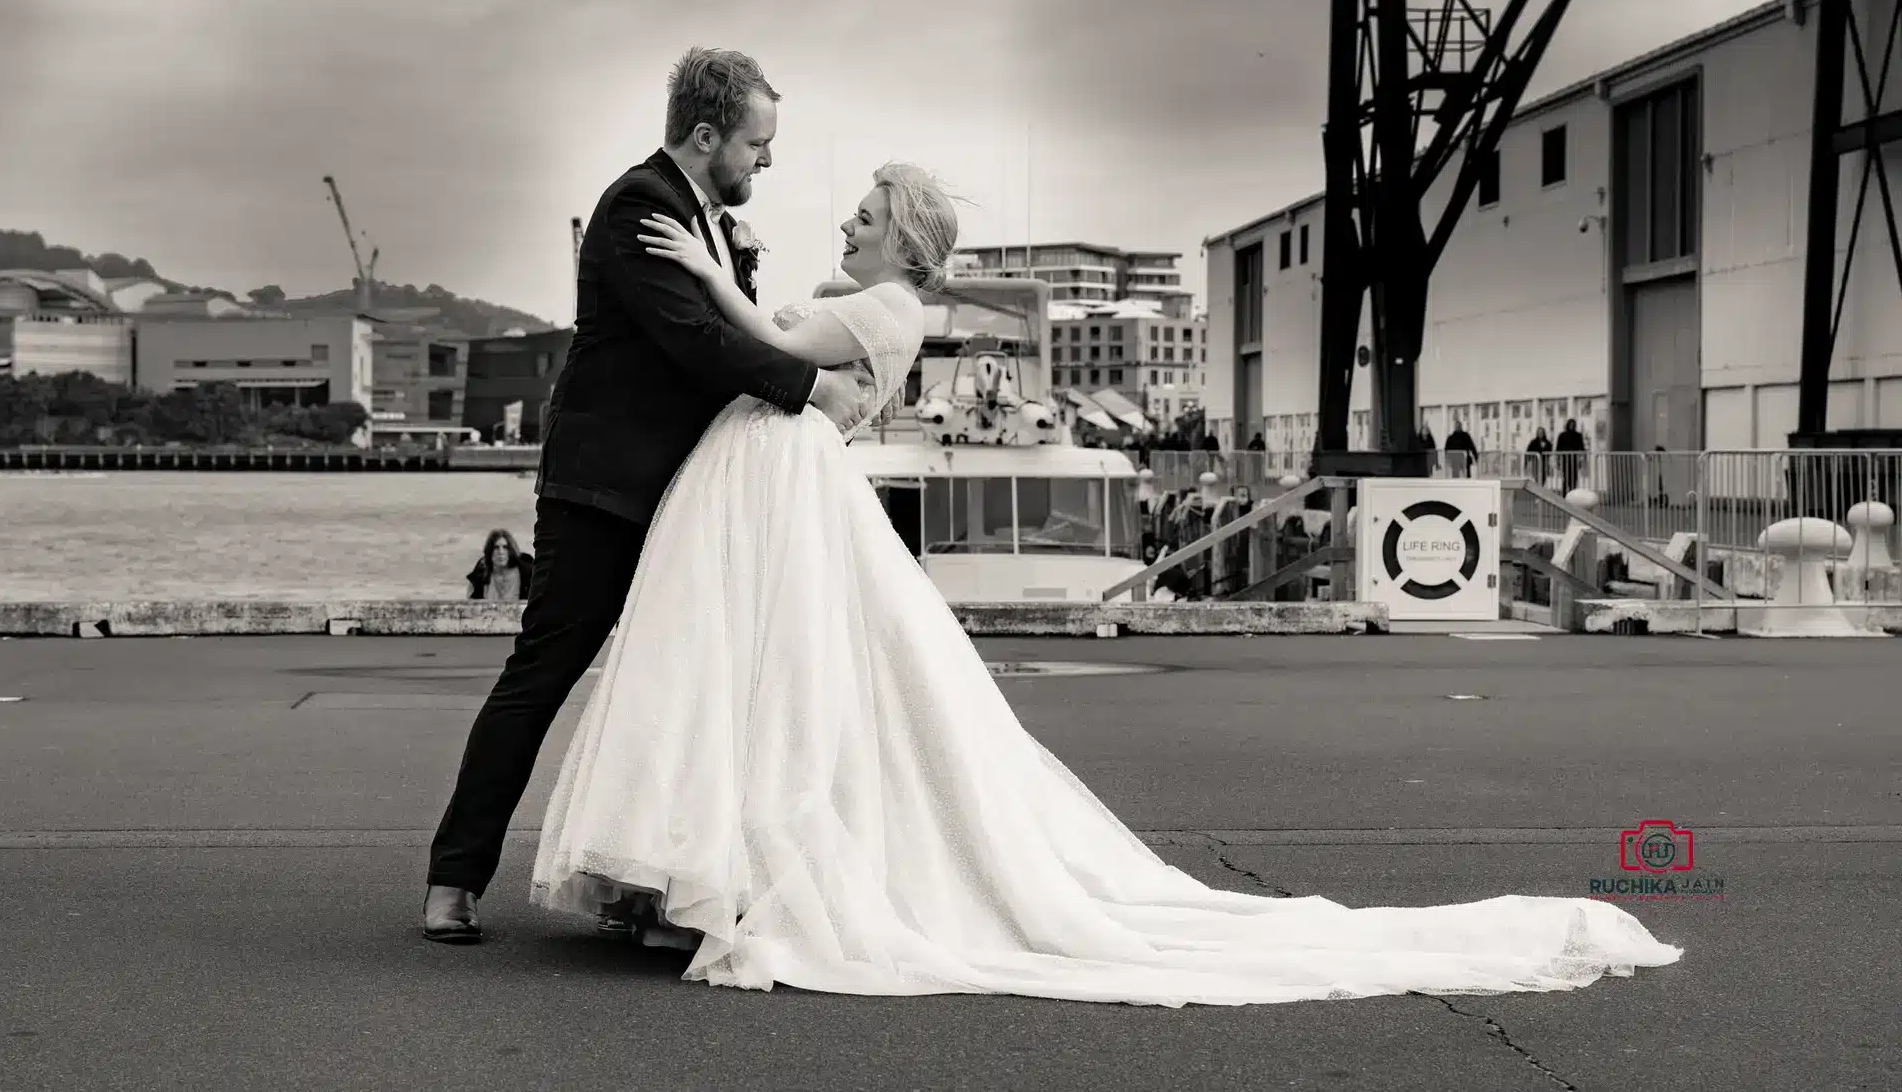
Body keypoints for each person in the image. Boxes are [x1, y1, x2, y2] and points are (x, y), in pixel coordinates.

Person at [521, 161, 1682, 1006]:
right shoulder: (882, 304)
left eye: (865, 215)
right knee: (778, 676)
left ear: (900, 241)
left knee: (785, 678)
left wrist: (702, 271)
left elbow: (770, 354)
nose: (848, 220)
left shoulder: (883, 305)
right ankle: (708, 863)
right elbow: (781, 361)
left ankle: (728, 866)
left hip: (784, 481)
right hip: (778, 480)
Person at [421, 47, 872, 942]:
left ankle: (661, 886)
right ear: (705, 136)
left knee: (687, 691)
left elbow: (714, 330)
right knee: (542, 675)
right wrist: (813, 387)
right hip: (606, 494)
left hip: (687, 500)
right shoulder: (638, 206)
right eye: (756, 143)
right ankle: (452, 881)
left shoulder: (703, 219)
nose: (766, 162)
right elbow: (696, 344)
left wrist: (736, 268)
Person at [465, 528, 535, 601]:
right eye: (496, 548)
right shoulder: (480, 574)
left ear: (511, 551)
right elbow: (470, 606)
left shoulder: (528, 574)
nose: (501, 552)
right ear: (490, 551)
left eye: (505, 547)